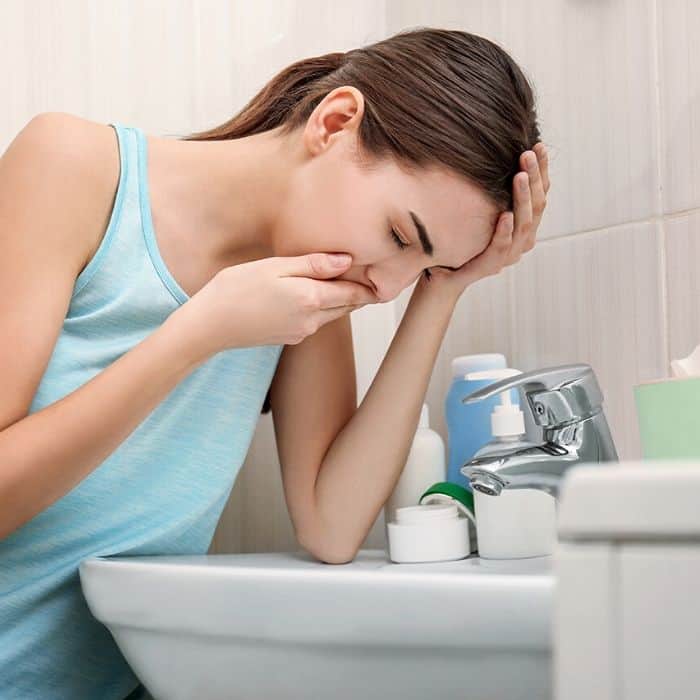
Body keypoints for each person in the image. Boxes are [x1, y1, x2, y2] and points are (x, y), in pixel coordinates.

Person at [0, 26, 549, 700]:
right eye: (401, 237)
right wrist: (194, 334)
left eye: (423, 265)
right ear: (336, 121)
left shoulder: (309, 285)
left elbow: (332, 526)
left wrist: (444, 289)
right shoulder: (74, 166)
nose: (387, 286)